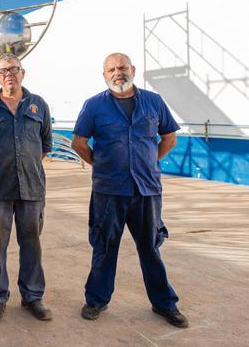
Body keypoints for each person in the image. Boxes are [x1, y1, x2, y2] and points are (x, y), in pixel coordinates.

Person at [70, 52, 188, 328]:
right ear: (104, 75)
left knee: (150, 248)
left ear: (132, 69)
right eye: (111, 69)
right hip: (109, 191)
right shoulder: (94, 106)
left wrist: (149, 161)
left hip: (146, 190)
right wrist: (101, 165)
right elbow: (79, 142)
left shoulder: (153, 102)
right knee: (104, 247)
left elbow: (169, 137)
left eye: (122, 67)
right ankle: (96, 300)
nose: (117, 72)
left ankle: (164, 304)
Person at [0, 53, 53, 323]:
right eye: (3, 71)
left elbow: (46, 144)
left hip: (32, 189)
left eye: (14, 69)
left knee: (32, 244)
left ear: (23, 73)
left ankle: (33, 297)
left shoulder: (38, 105)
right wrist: (2, 163)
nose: (9, 74)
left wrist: (26, 164)